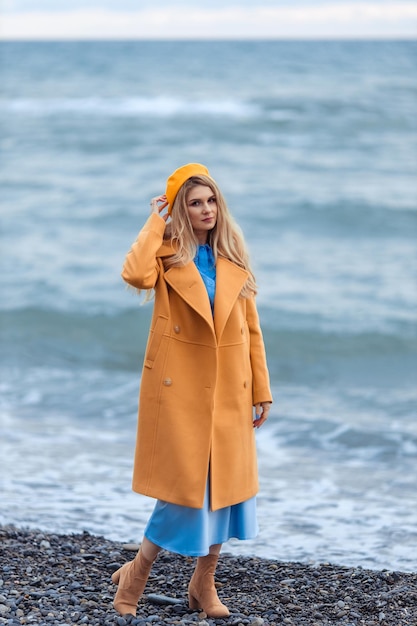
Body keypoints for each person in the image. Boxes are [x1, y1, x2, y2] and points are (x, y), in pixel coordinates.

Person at [113, 163, 272, 618]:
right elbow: (134, 274)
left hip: (229, 389)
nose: (206, 210)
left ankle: (204, 583)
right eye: (194, 203)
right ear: (181, 211)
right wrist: (154, 221)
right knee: (183, 490)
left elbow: (252, 330)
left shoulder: (234, 259)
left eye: (211, 200)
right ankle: (136, 573)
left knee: (225, 489)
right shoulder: (164, 255)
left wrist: (262, 389)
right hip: (179, 388)